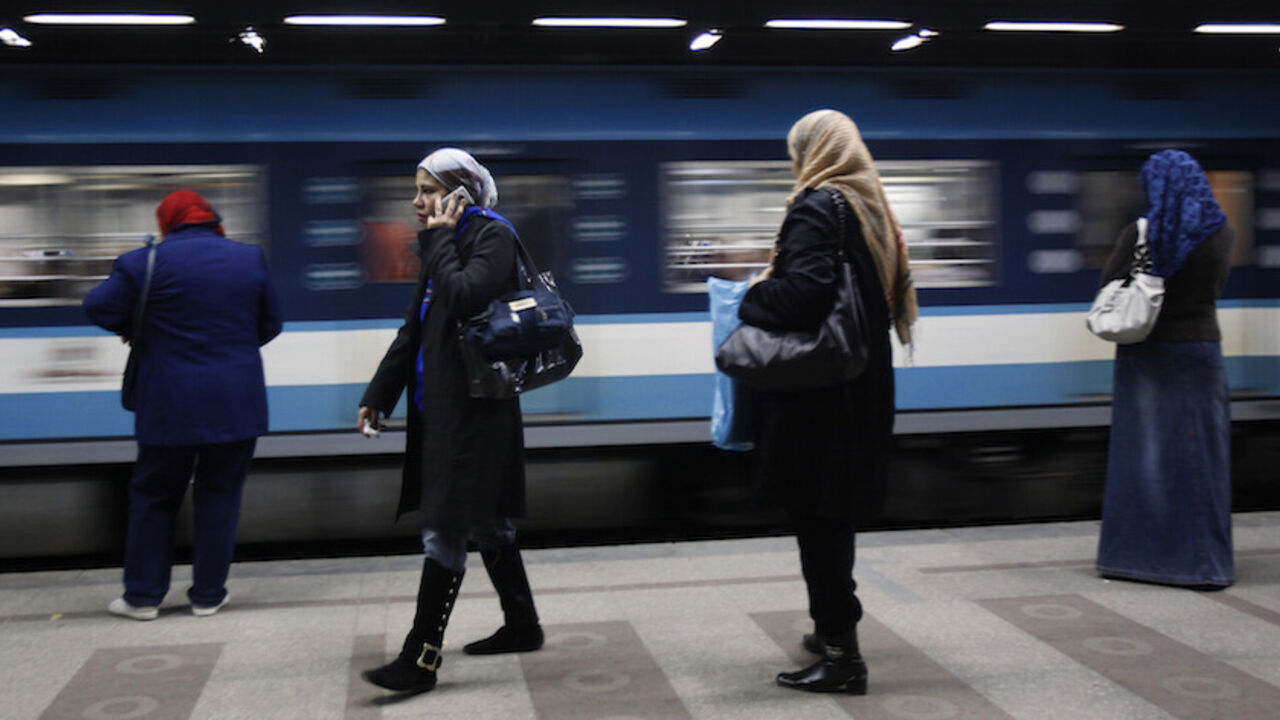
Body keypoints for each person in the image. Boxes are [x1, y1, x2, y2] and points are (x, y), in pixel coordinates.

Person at [738, 109, 916, 694]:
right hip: (859, 386)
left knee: (817, 520)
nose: (797, 167)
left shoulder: (817, 206)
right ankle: (833, 627)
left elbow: (806, 296)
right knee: (833, 516)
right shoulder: (870, 211)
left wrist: (754, 295)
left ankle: (842, 657)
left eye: (797, 154)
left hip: (821, 398)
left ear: (812, 153)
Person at [357, 148, 544, 695]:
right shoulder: (450, 244)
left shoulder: (493, 235)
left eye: (427, 190)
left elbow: (464, 297)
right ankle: (523, 624)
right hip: (445, 409)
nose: (416, 202)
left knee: (446, 527)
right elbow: (413, 328)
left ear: (460, 193)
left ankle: (420, 658)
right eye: (415, 191)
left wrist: (438, 240)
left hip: (475, 411)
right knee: (488, 523)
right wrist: (379, 393)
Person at [83, 190, 281, 620]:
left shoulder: (141, 262)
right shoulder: (248, 258)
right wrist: (230, 349)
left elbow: (96, 305)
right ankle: (208, 596)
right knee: (221, 495)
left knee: (154, 495)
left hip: (168, 401)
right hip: (235, 399)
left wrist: (141, 329)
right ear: (211, 218)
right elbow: (271, 323)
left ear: (166, 221)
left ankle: (143, 597)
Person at [1096, 149, 1235, 589]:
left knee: (1144, 458)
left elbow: (1108, 285)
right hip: (1202, 352)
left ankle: (1138, 558)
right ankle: (1204, 563)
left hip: (1148, 353)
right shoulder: (1222, 231)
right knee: (1200, 460)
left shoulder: (1145, 232)